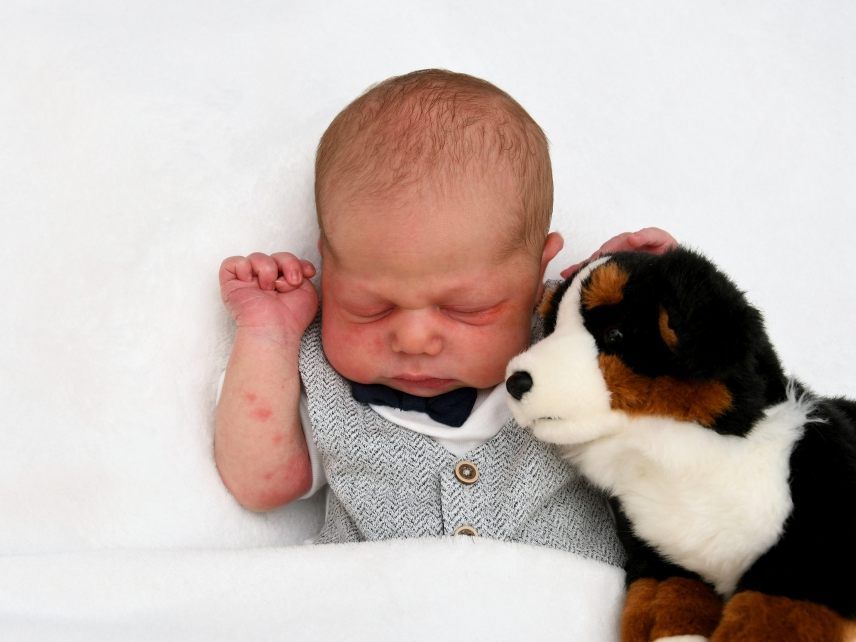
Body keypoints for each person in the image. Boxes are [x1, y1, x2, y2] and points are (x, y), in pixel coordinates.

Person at [214, 69, 675, 563]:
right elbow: (259, 485)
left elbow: (674, 433)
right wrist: (268, 335)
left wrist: (616, 301)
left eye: (466, 309)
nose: (414, 340)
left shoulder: (568, 346)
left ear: (537, 273)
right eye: (370, 308)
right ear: (329, 267)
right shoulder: (318, 374)